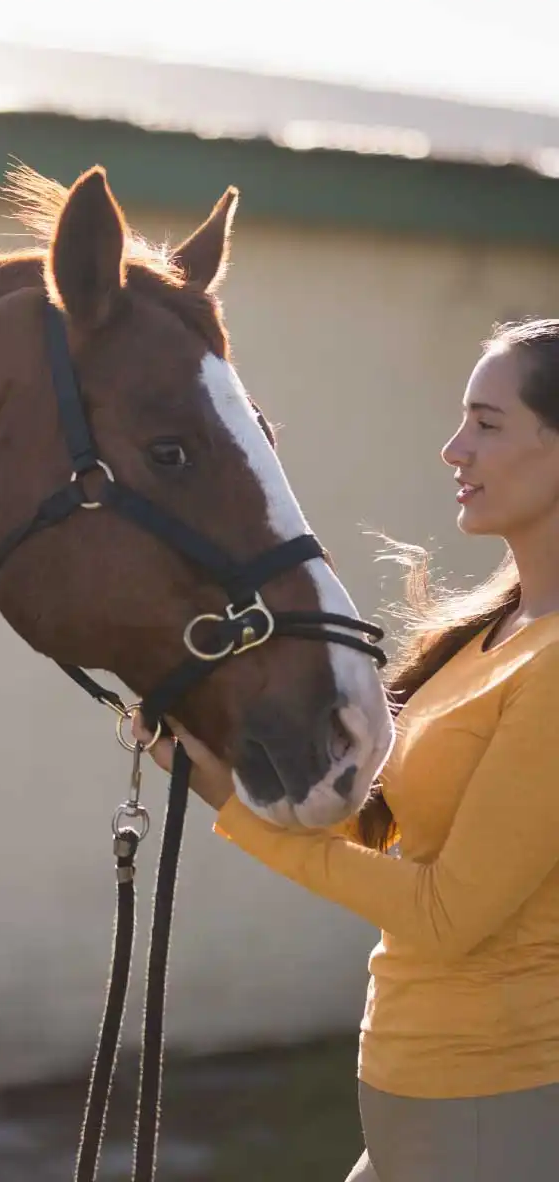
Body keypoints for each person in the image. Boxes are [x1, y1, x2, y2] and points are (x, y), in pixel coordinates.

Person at [136, 318, 559, 1181]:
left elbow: (448, 914)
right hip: (420, 1097)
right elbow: (392, 835)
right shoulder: (490, 635)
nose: (452, 449)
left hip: (495, 1101)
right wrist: (219, 762)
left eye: (486, 423)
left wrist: (231, 812)